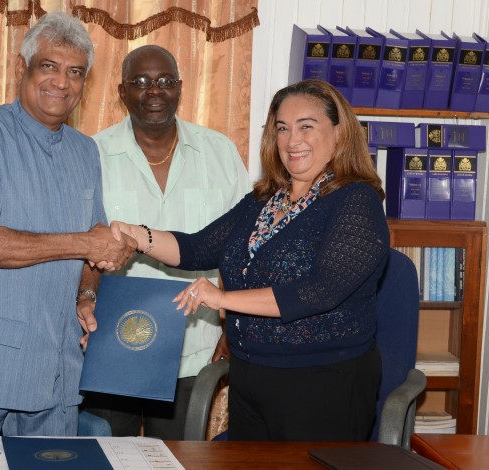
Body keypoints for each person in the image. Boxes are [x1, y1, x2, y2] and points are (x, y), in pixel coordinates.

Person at [109, 78, 390, 441]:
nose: (292, 140)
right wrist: (134, 235)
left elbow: (320, 291)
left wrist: (222, 299)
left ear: (339, 133)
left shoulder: (357, 200)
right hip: (250, 375)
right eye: (283, 129)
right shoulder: (265, 198)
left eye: (307, 126)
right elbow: (196, 247)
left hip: (322, 380)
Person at [0, 12, 136, 437]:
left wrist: (87, 295)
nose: (62, 82)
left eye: (75, 72)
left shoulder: (85, 151)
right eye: (49, 66)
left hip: (57, 368)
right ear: (22, 68)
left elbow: (95, 241)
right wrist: (85, 244)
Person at [80, 45, 251, 440]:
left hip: (194, 346)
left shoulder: (219, 152)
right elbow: (81, 245)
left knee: (178, 461)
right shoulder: (92, 154)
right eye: (139, 82)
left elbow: (243, 246)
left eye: (164, 81)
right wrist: (82, 302)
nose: (153, 91)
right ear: (121, 92)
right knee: (111, 458)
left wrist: (232, 323)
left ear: (180, 89)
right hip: (112, 341)